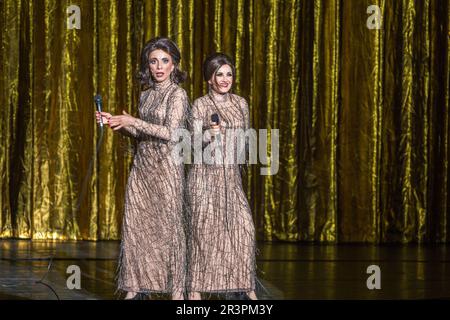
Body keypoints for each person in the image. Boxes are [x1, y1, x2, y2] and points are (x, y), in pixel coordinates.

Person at [95, 37, 189, 300]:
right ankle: (134, 290)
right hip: (142, 168)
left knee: (169, 231)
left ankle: (177, 293)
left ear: (174, 65)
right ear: (147, 65)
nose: (159, 67)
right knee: (135, 229)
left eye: (165, 61)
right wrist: (117, 122)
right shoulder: (146, 95)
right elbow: (139, 134)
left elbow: (172, 133)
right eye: (153, 61)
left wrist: (133, 120)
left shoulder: (178, 94)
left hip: (167, 170)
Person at [186, 53, 258, 300]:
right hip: (204, 179)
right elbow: (190, 145)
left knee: (244, 230)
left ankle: (246, 288)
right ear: (209, 78)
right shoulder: (200, 105)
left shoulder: (241, 103)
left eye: (229, 74)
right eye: (219, 74)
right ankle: (195, 292)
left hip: (230, 177)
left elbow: (247, 141)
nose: (225, 79)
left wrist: (233, 134)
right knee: (203, 236)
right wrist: (208, 134)